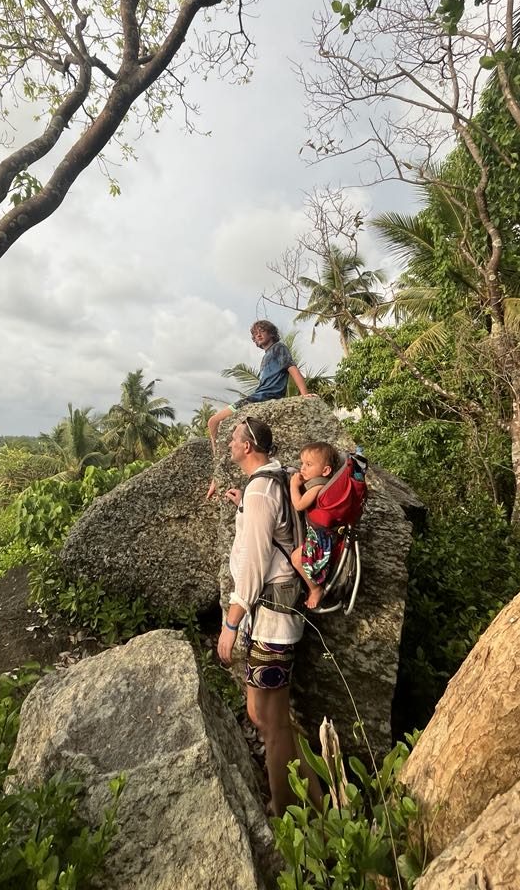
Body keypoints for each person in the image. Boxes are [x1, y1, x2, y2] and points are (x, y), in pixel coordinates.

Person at [217, 416, 322, 815]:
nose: (229, 443)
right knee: (263, 714)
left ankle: (284, 810)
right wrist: (243, 505)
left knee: (271, 720)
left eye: (234, 438)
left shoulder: (261, 490)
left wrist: (231, 623)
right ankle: (314, 797)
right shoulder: (268, 482)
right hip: (272, 619)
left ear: (248, 446)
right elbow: (267, 531)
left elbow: (255, 565)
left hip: (273, 622)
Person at [206, 320, 313, 499]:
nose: (258, 335)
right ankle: (216, 473)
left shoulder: (279, 348)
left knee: (214, 421)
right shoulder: (266, 357)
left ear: (271, 333)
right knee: (213, 421)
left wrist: (304, 395)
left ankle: (216, 477)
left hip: (262, 397)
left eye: (262, 331)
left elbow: (293, 369)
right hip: (257, 395)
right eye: (255, 334)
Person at [290, 441, 366, 609]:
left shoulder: (318, 486)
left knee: (296, 559)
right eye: (302, 463)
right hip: (323, 537)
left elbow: (299, 504)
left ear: (325, 471)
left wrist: (293, 485)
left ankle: (315, 589)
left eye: (308, 464)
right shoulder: (323, 484)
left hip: (321, 541)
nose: (302, 468)